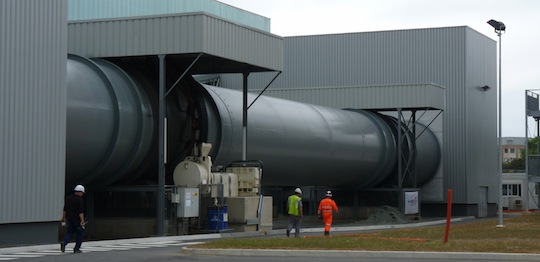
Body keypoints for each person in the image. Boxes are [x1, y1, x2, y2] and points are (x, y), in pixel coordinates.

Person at [61, 184, 86, 253]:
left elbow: (65, 209)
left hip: (70, 219)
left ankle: (64, 242)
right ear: (80, 192)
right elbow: (81, 211)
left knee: (69, 232)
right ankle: (76, 248)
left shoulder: (69, 198)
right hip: (77, 220)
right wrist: (82, 220)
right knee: (79, 234)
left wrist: (63, 218)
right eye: (82, 193)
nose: (82, 194)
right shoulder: (80, 200)